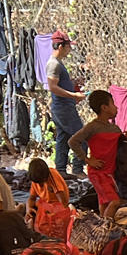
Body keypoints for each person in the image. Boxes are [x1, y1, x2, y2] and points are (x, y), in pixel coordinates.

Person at [70, 89, 124, 212]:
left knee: (104, 203)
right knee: (115, 201)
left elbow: (122, 145)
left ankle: (101, 226)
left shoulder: (115, 129)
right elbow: (73, 142)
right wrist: (87, 159)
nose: (116, 108)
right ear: (104, 108)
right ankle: (105, 227)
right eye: (113, 104)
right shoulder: (92, 127)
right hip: (97, 173)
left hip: (110, 172)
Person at [45, 33, 85, 179]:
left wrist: (73, 83)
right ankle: (78, 169)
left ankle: (61, 170)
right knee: (81, 137)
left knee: (63, 139)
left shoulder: (58, 63)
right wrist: (74, 96)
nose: (69, 50)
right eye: (68, 46)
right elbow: (53, 87)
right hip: (63, 109)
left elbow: (59, 84)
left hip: (62, 107)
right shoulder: (54, 64)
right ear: (61, 46)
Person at [27, 158, 73, 240]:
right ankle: (33, 237)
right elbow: (31, 198)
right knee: (29, 216)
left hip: (57, 206)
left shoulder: (52, 177)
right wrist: (29, 209)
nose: (40, 185)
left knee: (53, 225)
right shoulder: (35, 179)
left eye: (41, 182)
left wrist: (50, 214)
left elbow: (64, 203)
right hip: (45, 205)